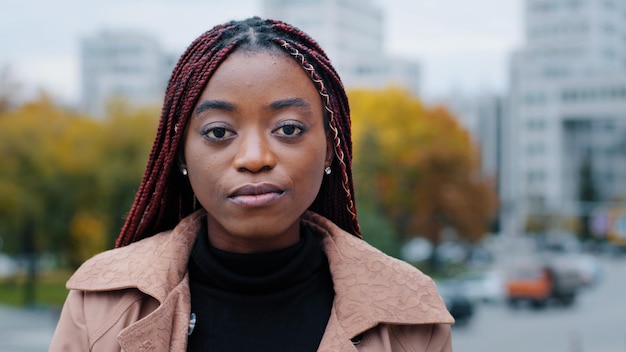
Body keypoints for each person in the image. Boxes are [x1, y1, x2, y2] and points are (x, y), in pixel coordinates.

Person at [49, 16, 454, 351]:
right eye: (219, 132)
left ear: (331, 149)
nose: (255, 158)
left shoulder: (410, 312)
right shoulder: (99, 304)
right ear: (180, 155)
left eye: (290, 128)